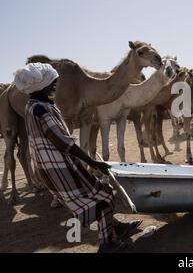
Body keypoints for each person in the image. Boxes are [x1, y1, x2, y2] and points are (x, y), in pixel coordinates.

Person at [14, 63, 142, 253]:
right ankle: (108, 244)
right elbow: (64, 143)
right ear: (42, 87)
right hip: (59, 168)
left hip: (55, 166)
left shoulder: (34, 106)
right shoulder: (42, 110)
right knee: (104, 197)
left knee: (100, 192)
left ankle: (115, 229)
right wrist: (93, 162)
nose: (56, 86)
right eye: (53, 83)